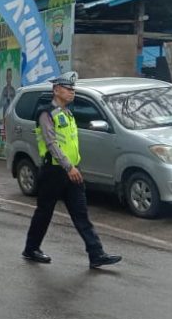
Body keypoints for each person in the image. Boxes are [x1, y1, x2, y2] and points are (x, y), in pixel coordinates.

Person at [23, 71, 122, 269]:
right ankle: (31, 249)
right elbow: (51, 144)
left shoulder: (67, 114)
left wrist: (73, 167)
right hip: (53, 171)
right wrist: (68, 167)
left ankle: (96, 254)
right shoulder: (46, 113)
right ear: (56, 90)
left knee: (81, 213)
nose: (72, 93)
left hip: (72, 171)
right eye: (68, 89)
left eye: (73, 90)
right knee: (44, 212)